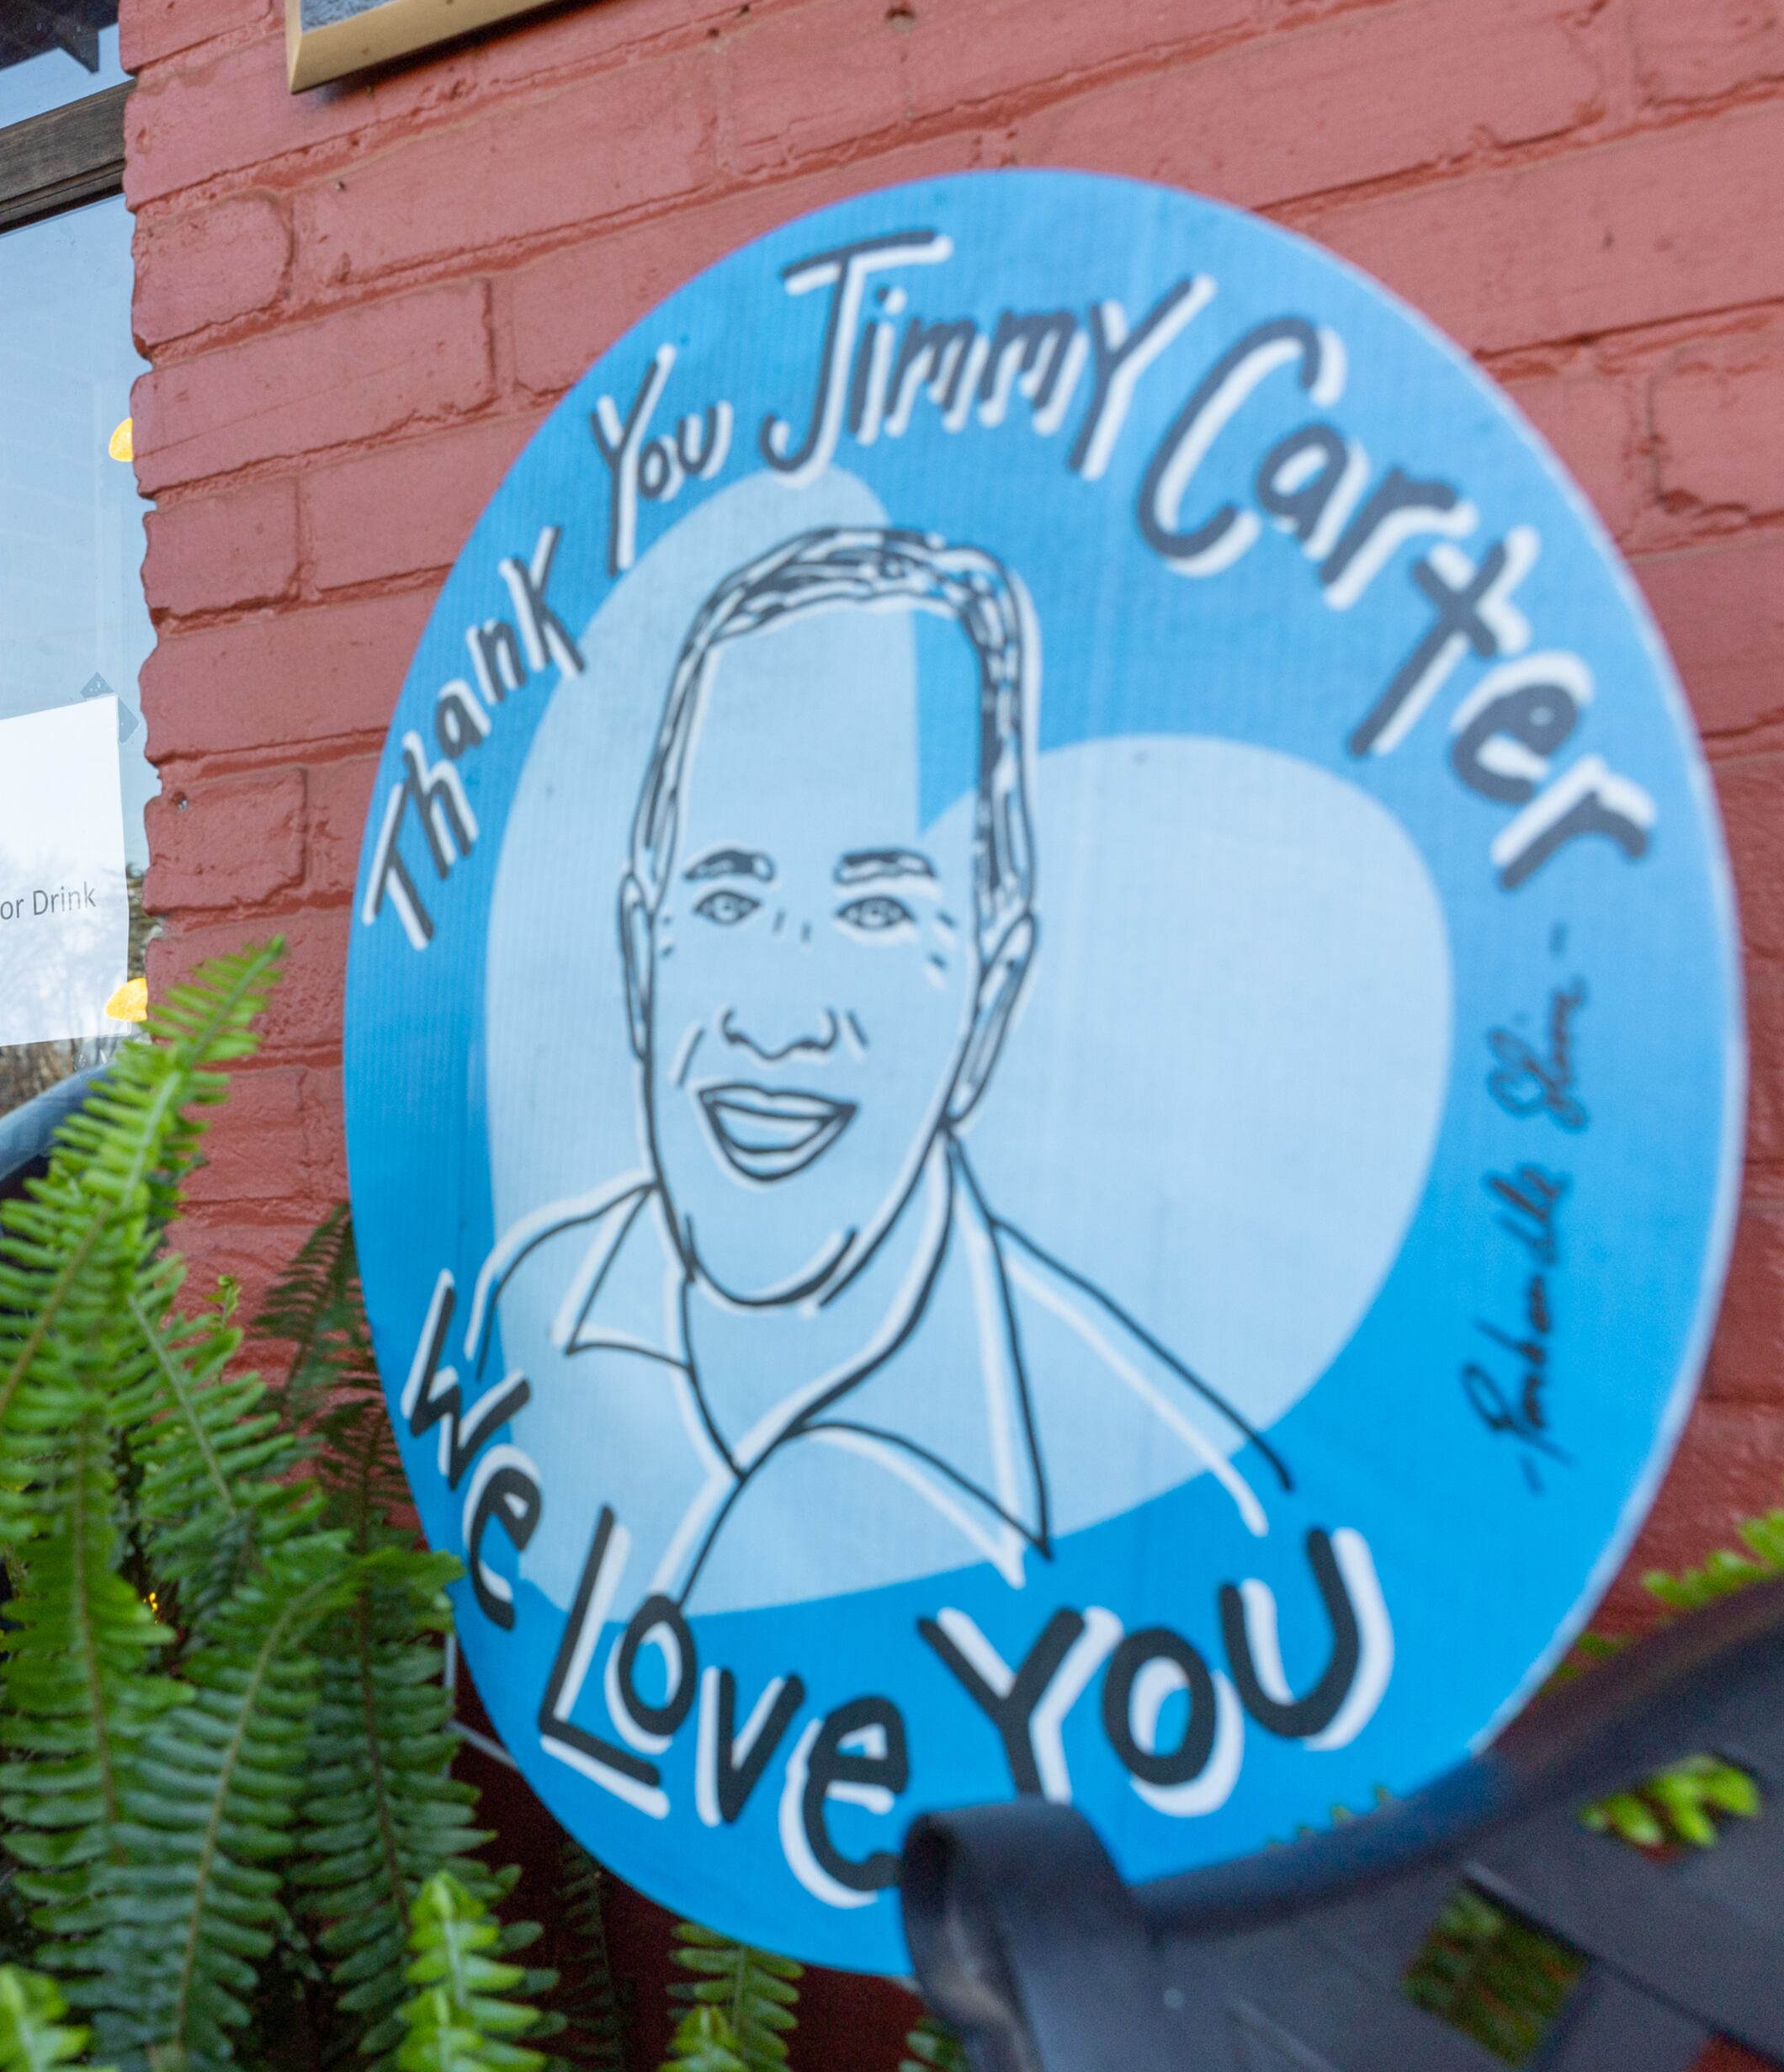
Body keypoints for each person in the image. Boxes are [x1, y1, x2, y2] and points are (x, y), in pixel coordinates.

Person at [472, 525, 1289, 1617]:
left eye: (874, 912)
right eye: (727, 899)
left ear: (991, 996)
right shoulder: (522, 1313)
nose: (777, 1022)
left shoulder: (1162, 1496)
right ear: (639, 955)